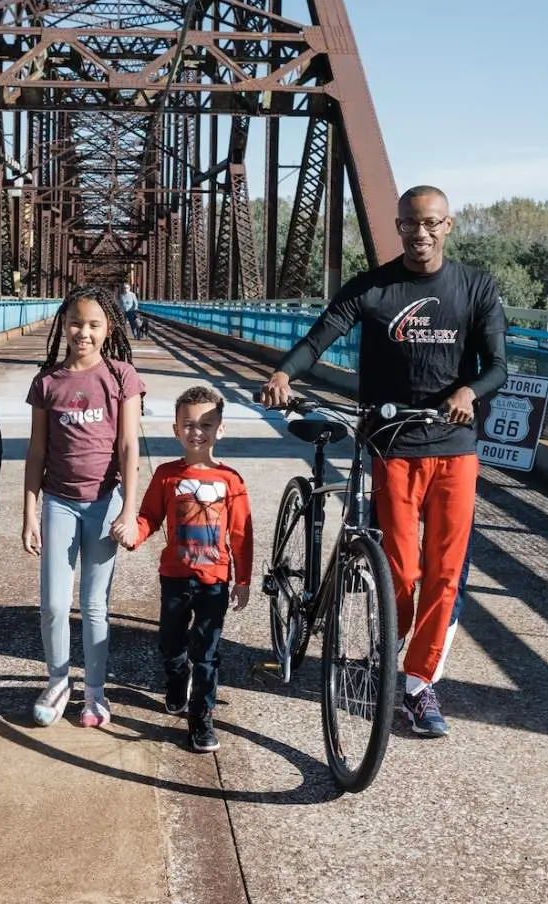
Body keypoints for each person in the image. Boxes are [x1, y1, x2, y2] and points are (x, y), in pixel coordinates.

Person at [257, 184, 507, 739]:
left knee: (445, 573)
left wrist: (469, 392)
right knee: (401, 569)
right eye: (410, 224)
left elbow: (498, 366)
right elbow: (319, 338)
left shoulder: (475, 287)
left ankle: (417, 684)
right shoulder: (373, 287)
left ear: (448, 226)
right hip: (392, 444)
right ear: (398, 227)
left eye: (431, 223)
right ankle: (387, 644)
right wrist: (283, 373)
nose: (421, 233)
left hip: (454, 447)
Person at [22, 285, 144, 727]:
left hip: (105, 503)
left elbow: (128, 446)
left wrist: (129, 511)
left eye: (94, 324)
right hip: (59, 501)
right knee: (54, 604)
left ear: (109, 328)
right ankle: (58, 681)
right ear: (64, 324)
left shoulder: (121, 377)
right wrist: (29, 513)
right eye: (76, 323)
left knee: (94, 605)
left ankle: (94, 690)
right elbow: (36, 452)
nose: (83, 333)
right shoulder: (48, 382)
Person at [116, 385, 252, 753]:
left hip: (214, 582)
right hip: (174, 578)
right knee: (171, 644)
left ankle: (201, 717)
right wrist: (134, 534)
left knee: (206, 653)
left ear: (220, 429)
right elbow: (149, 516)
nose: (197, 432)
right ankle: (176, 680)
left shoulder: (232, 480)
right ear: (176, 429)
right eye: (189, 424)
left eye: (206, 424)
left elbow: (241, 534)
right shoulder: (166, 475)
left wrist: (242, 580)